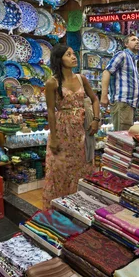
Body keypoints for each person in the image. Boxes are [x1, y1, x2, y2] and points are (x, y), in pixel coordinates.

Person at [43, 44, 100, 209]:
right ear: (59, 59)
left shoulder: (82, 78)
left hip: (82, 131)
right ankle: (59, 207)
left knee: (81, 167)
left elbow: (94, 99)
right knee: (59, 169)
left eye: (73, 53)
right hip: (62, 131)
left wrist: (95, 119)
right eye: (69, 54)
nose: (73, 57)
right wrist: (53, 138)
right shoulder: (52, 82)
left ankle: (81, 206)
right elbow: (51, 111)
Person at [100, 33, 139, 131]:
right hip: (123, 102)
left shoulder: (133, 60)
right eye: (133, 40)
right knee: (122, 138)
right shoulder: (122, 55)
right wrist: (104, 95)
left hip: (129, 104)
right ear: (126, 44)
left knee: (125, 137)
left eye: (138, 40)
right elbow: (107, 72)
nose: (137, 41)